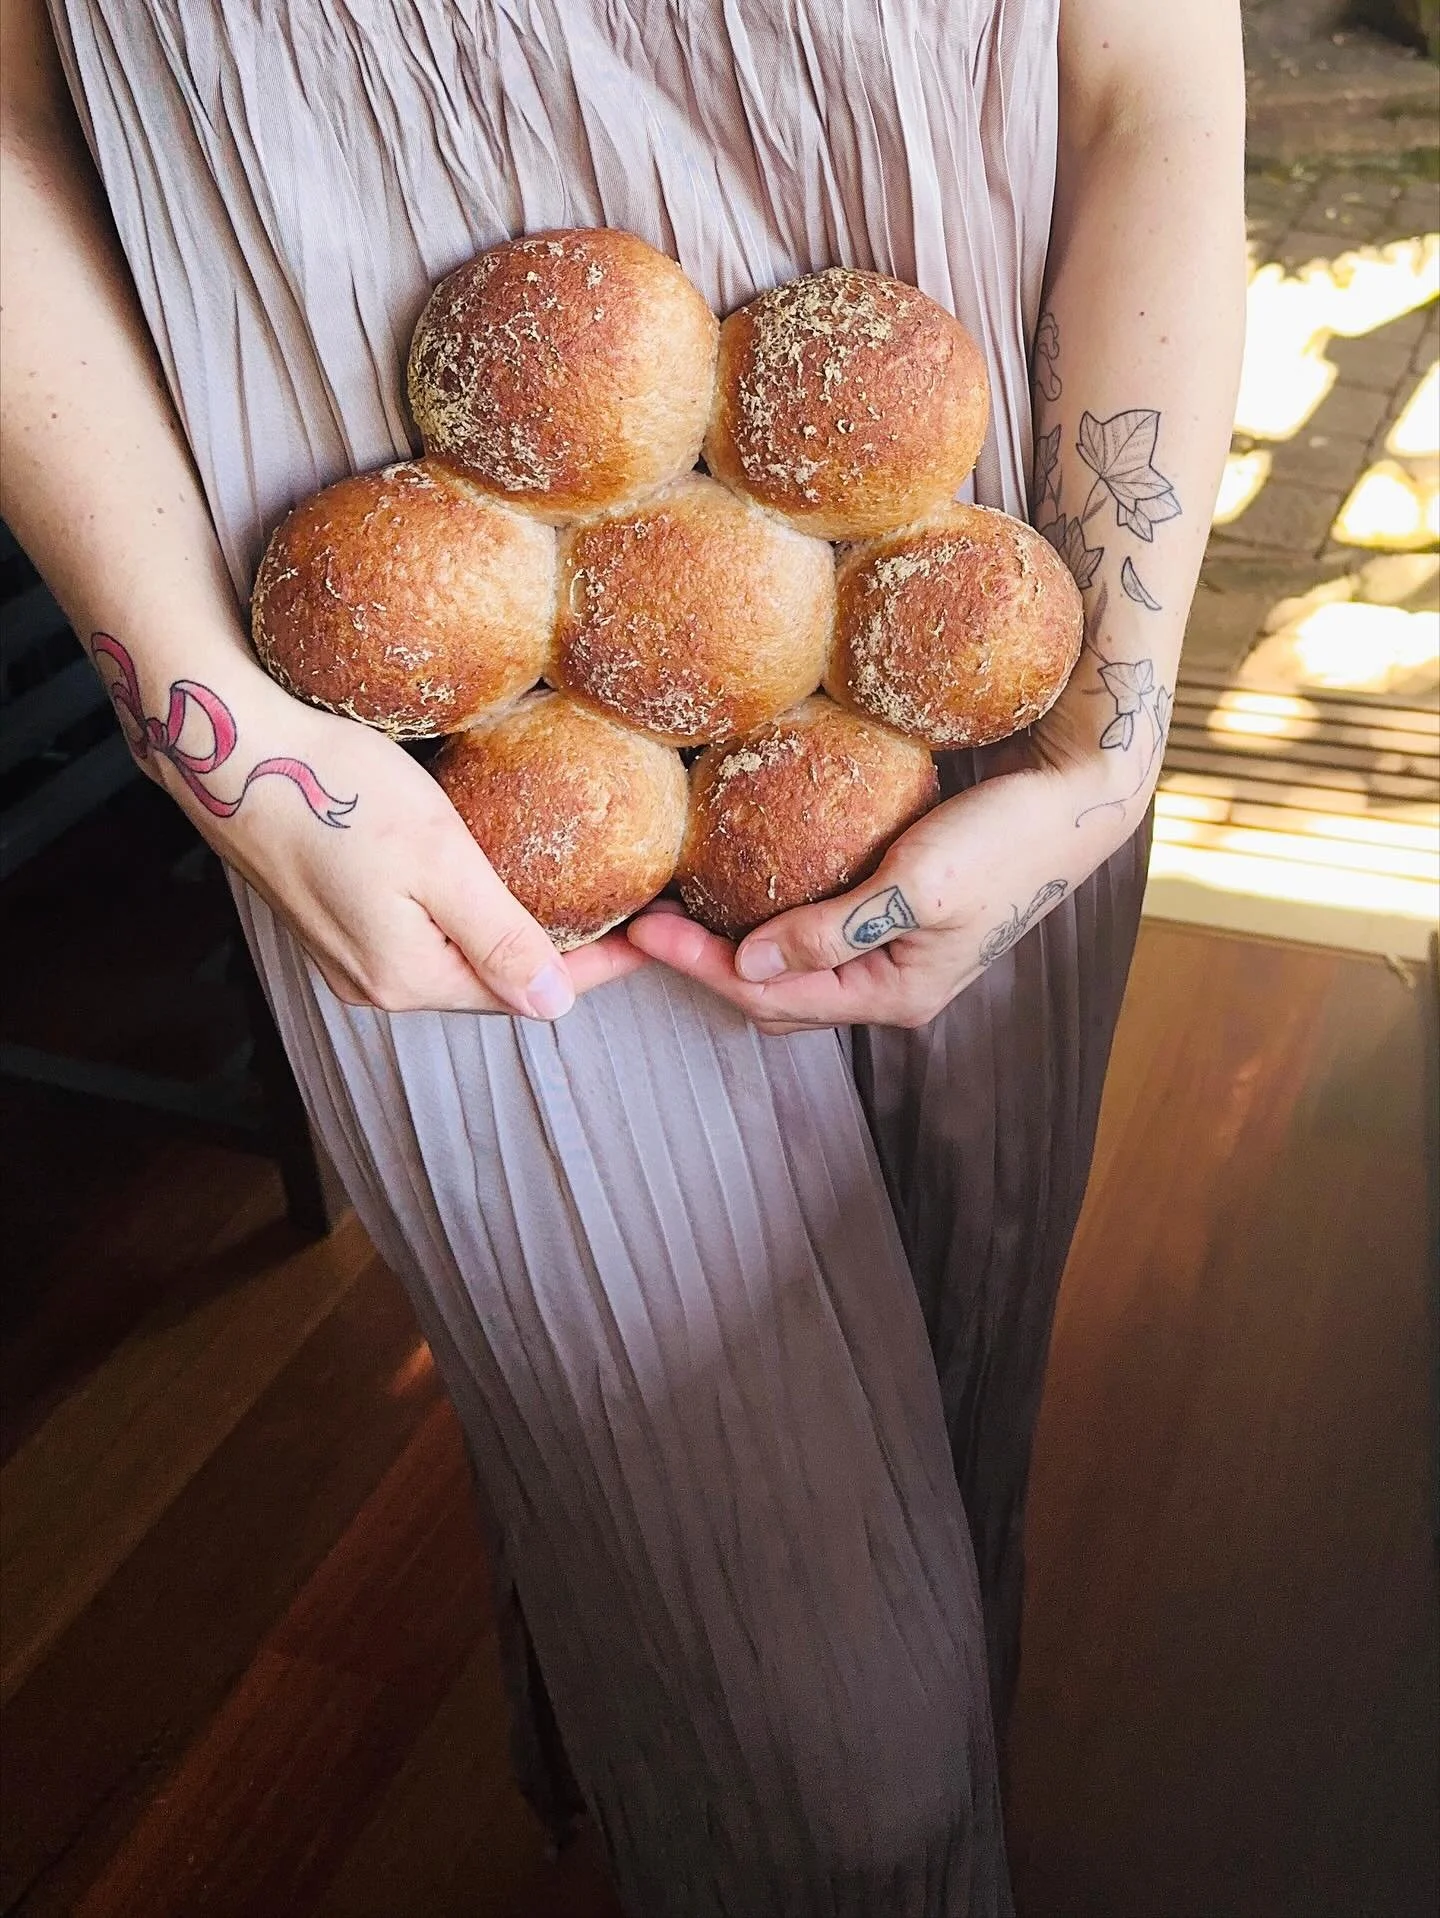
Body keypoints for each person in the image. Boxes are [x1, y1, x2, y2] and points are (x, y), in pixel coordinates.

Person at [0, 1, 1245, 1910]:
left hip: (970, 678)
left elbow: (1148, 83)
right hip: (418, 792)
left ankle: (642, 1731)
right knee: (840, 1760)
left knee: (959, 1419)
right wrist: (215, 736)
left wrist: (1107, 745)